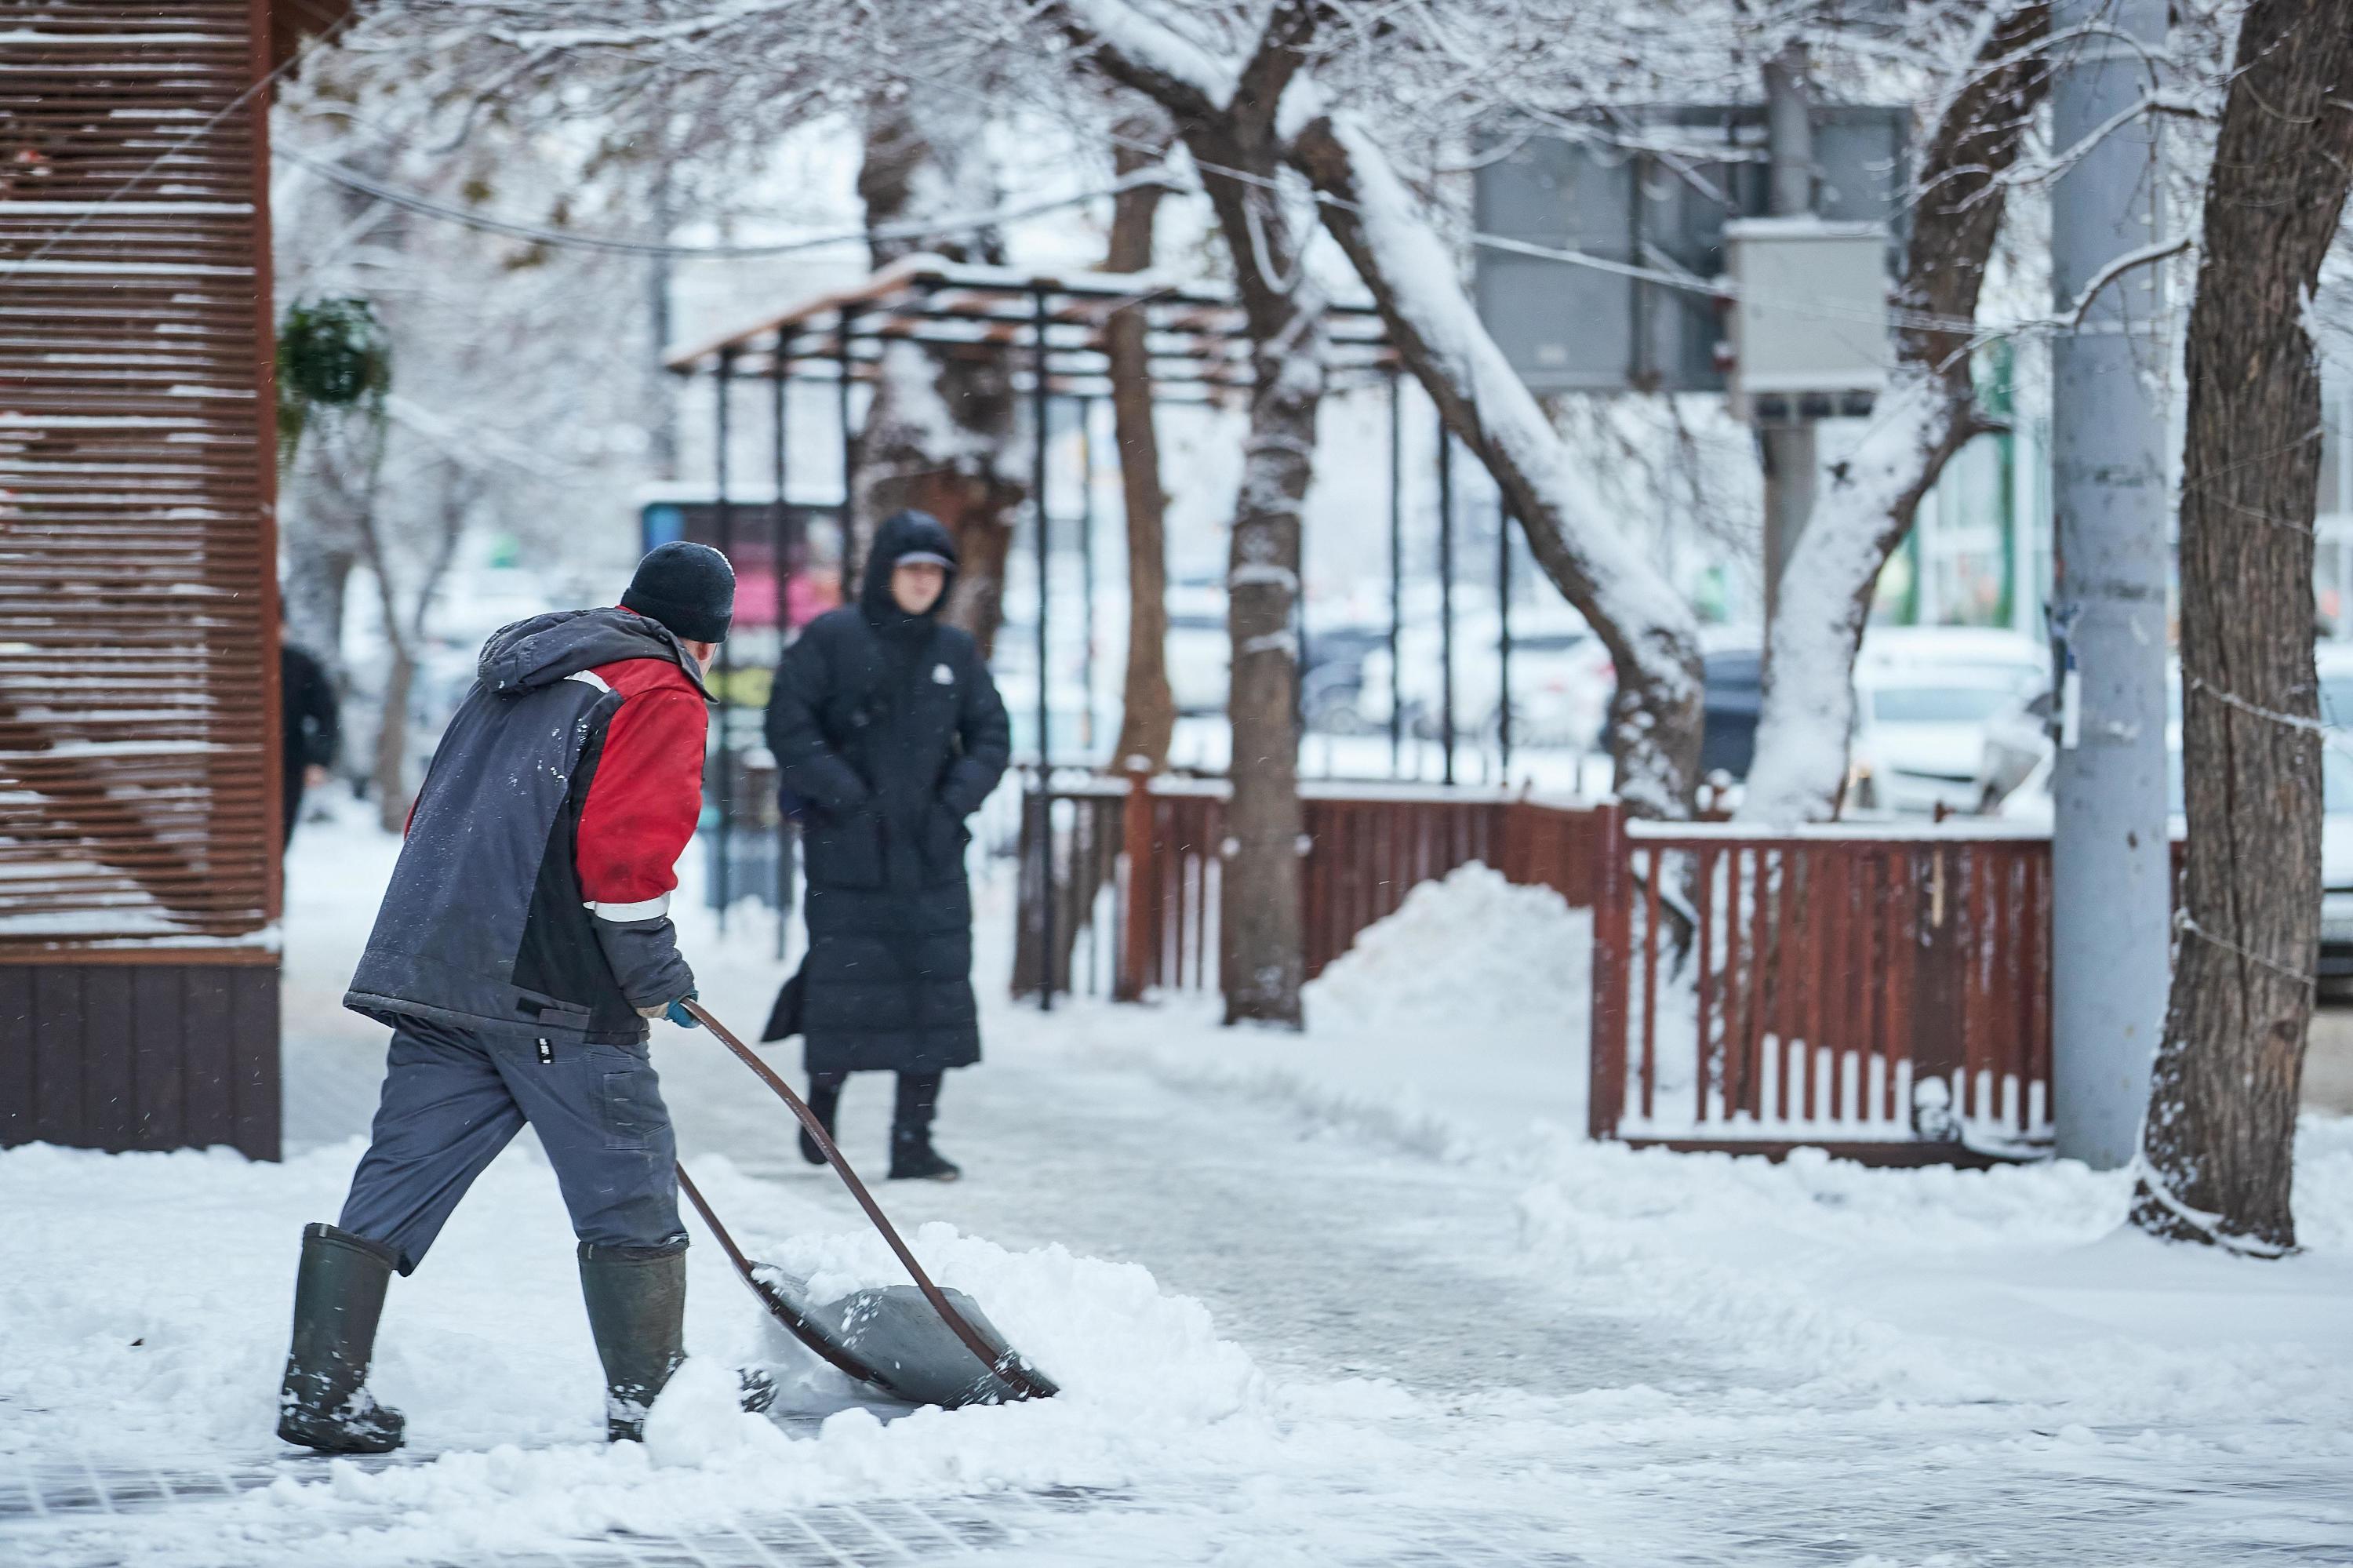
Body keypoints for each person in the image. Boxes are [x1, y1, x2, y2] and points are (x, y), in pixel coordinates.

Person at [275, 542, 733, 1455]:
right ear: (705, 639)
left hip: (438, 968)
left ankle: (320, 1392)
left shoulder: (523, 673)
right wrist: (654, 975)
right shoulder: (658, 693)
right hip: (550, 987)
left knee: (402, 1173)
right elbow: (625, 861)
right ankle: (655, 1400)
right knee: (627, 1177)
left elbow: (430, 809)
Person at [763, 510, 1009, 1182]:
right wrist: (843, 797)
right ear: (885, 573)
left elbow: (991, 738)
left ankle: (913, 1139)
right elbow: (788, 721)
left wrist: (953, 802)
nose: (925, 583)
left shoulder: (955, 653)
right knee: (846, 987)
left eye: (937, 572)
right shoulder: (832, 638)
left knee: (934, 993)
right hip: (848, 856)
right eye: (913, 569)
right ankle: (822, 1111)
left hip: (931, 855)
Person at [279, 635, 340, 852]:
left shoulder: (299, 664)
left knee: (278, 840)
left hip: (288, 764)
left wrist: (318, 761)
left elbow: (326, 715)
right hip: (235, 764)